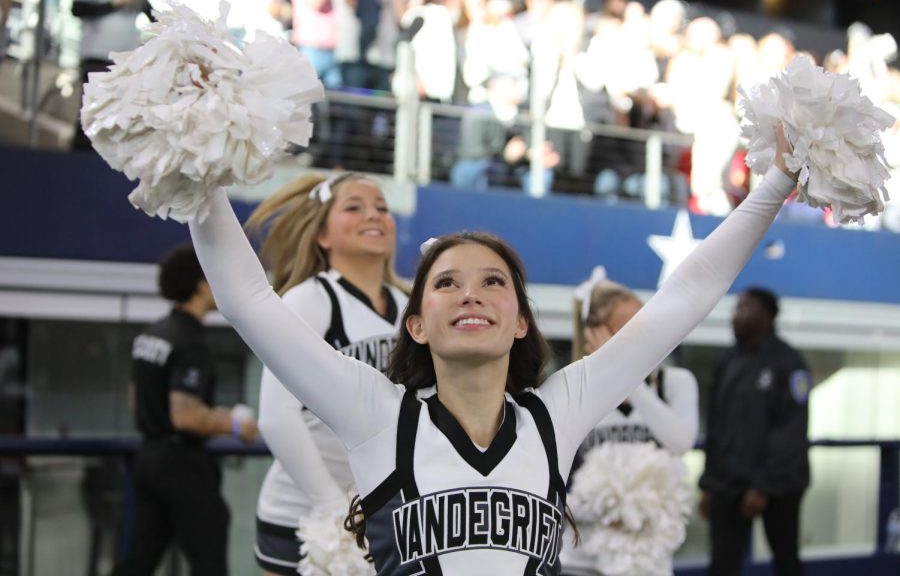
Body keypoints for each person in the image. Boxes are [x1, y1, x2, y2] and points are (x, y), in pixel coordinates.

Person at [184, 124, 797, 573]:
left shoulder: (557, 413)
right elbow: (246, 300)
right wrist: (193, 156)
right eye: (446, 283)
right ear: (417, 324)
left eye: (493, 282)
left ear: (521, 322)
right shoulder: (375, 414)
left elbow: (684, 296)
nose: (470, 295)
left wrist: (774, 184)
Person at [246, 173, 409, 575]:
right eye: (354, 207)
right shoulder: (310, 298)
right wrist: (333, 510)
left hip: (383, 515)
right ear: (322, 235)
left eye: (382, 208)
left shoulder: (410, 306)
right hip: (306, 517)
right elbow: (276, 416)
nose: (374, 215)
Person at [111, 244, 258, 576]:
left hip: (147, 457)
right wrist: (236, 425)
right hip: (180, 463)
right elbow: (185, 416)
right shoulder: (191, 341)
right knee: (209, 555)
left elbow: (137, 399)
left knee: (140, 558)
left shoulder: (153, 333)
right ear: (202, 283)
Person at [562, 274, 699, 574]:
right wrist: (611, 509)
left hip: (647, 562)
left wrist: (629, 377)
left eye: (646, 325)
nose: (644, 337)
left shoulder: (676, 383)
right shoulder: (574, 390)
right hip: (579, 561)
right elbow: (556, 490)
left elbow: (681, 443)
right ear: (596, 335)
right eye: (629, 330)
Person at [699, 287, 810, 576]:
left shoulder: (789, 363)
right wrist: (709, 483)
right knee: (722, 565)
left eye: (745, 308)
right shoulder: (727, 362)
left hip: (779, 485)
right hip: (728, 484)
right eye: (736, 308)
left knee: (787, 562)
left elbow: (790, 432)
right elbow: (715, 426)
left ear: (768, 316)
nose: (737, 315)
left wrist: (762, 486)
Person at [71, 0, 152, 150]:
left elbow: (154, 18)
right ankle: (79, 158)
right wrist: (117, 2)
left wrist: (144, 1)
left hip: (125, 59)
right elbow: (77, 8)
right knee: (91, 115)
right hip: (96, 53)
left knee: (118, 118)